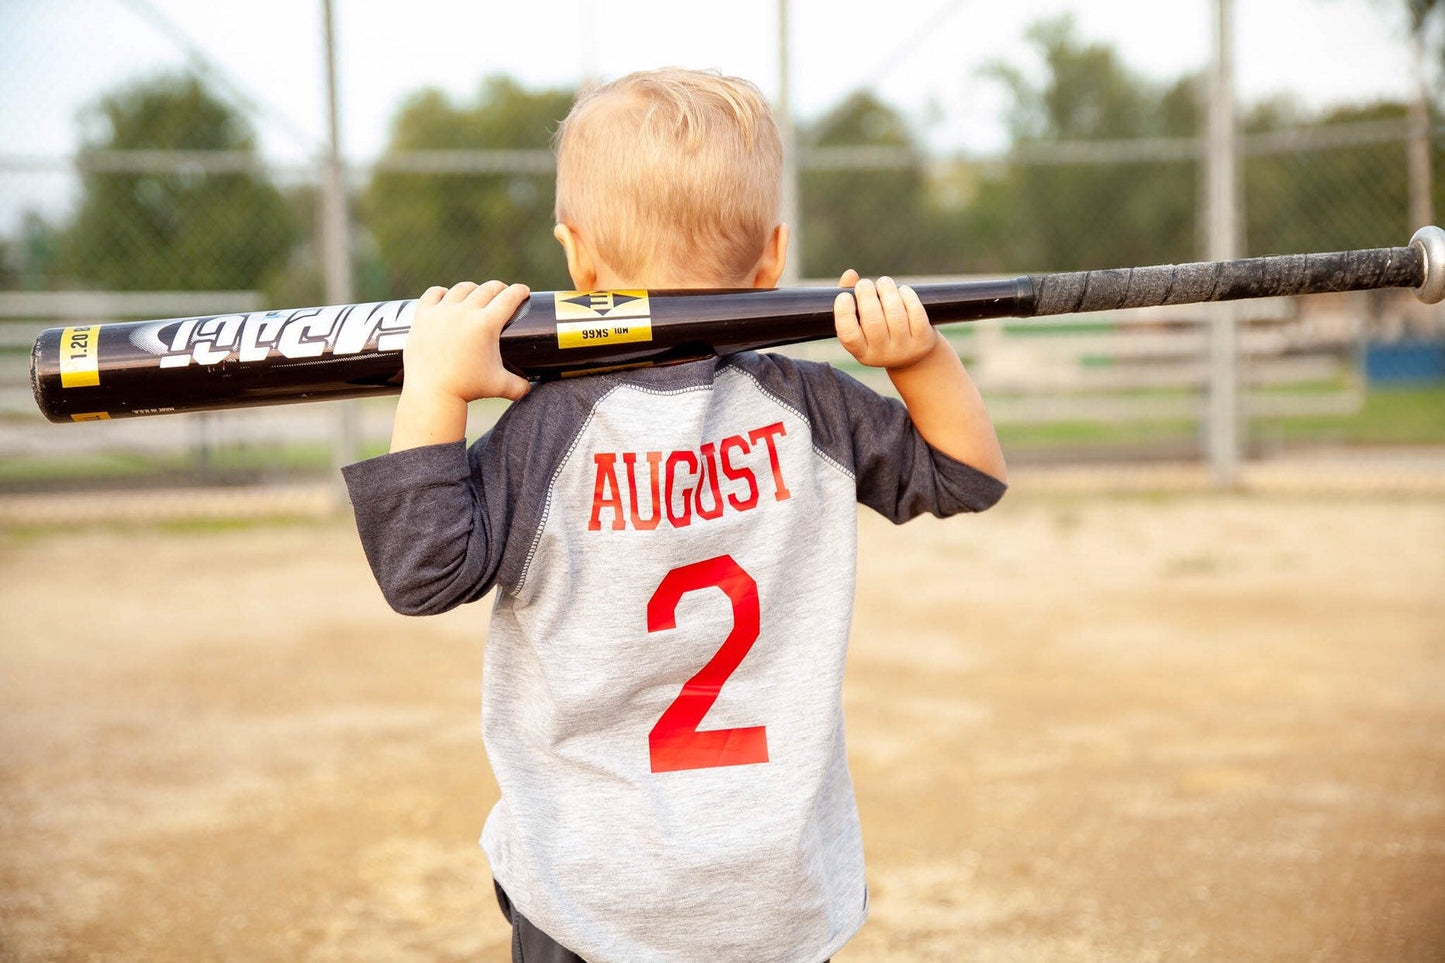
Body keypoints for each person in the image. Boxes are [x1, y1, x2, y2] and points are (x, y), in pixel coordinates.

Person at [344, 67, 1007, 963]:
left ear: (576, 257)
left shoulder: (552, 425)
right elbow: (967, 474)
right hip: (768, 888)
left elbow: (421, 571)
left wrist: (432, 386)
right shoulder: (810, 407)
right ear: (771, 259)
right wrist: (918, 357)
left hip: (588, 883)